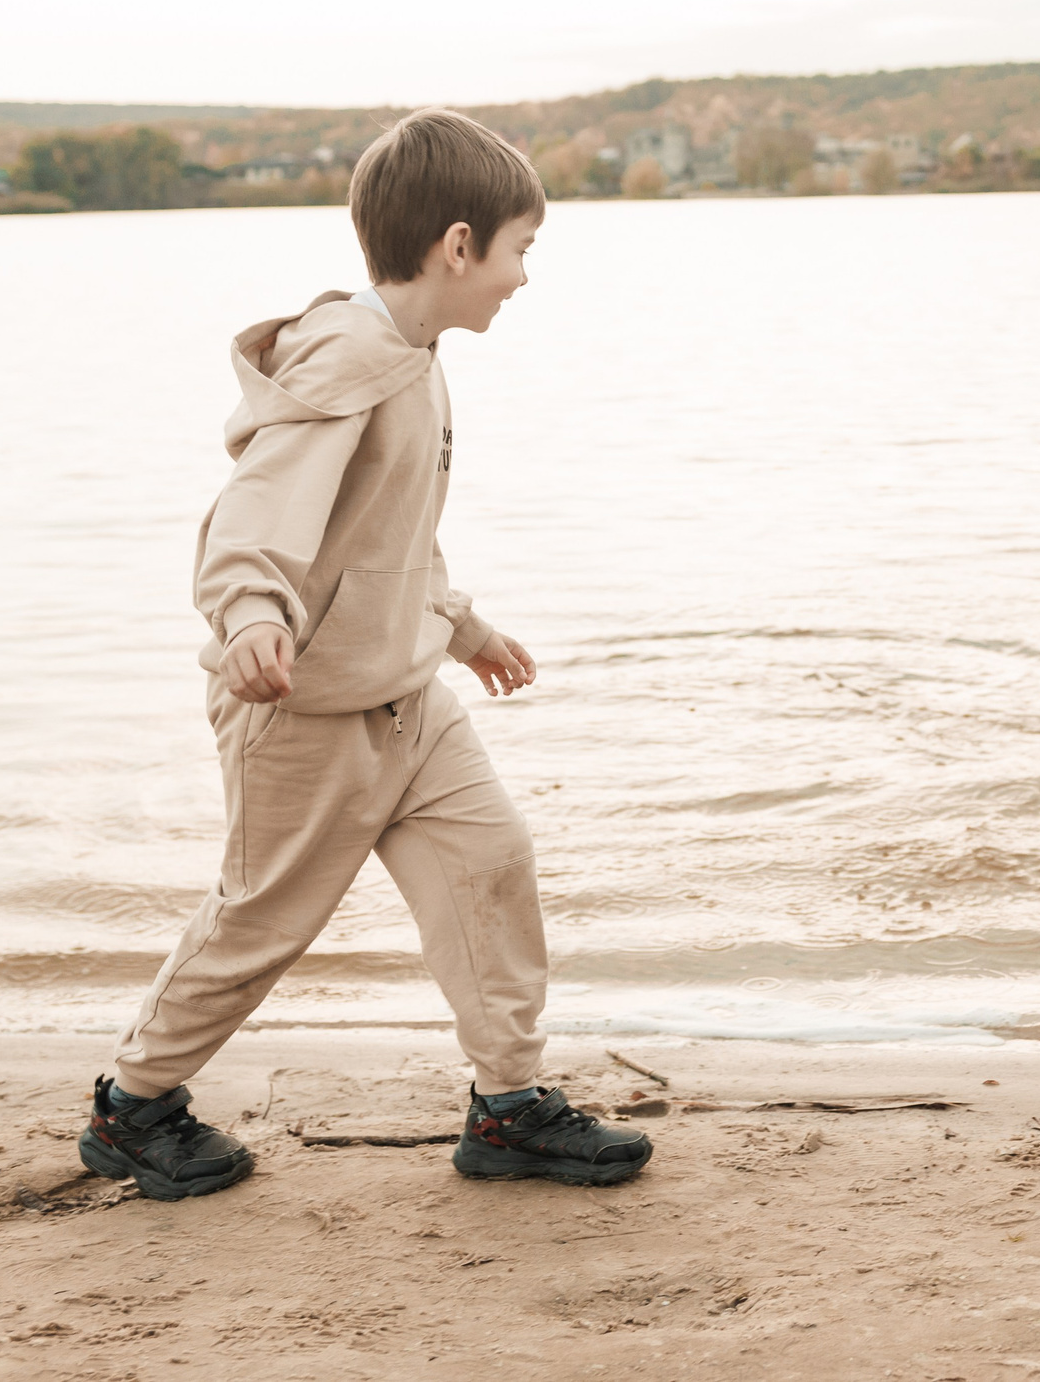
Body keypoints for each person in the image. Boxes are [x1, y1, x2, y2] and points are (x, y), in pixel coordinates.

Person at [77, 108, 651, 1200]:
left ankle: (510, 1105)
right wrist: (250, 611)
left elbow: (387, 531)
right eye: (519, 249)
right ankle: (133, 1104)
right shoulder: (345, 359)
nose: (524, 277)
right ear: (455, 244)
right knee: (259, 921)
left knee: (492, 863)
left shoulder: (415, 353)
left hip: (405, 695)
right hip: (301, 708)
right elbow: (257, 510)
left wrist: (462, 624)